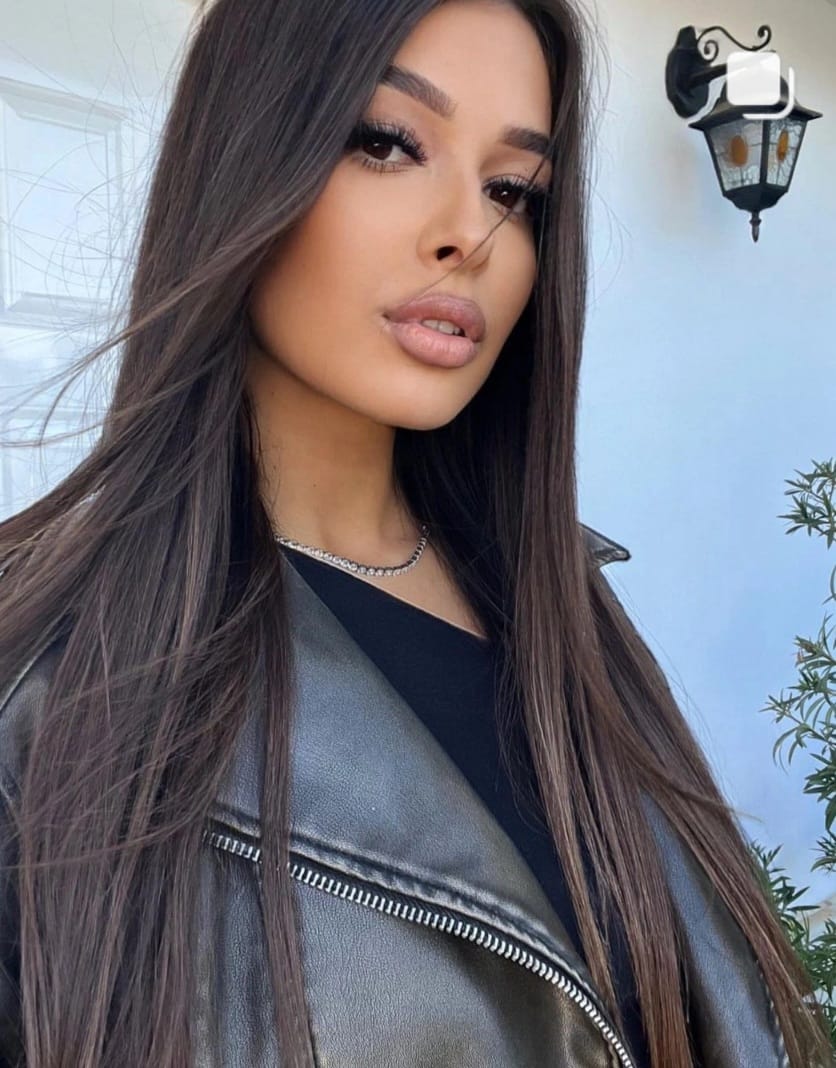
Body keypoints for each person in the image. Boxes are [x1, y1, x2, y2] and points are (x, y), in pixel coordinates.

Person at [0, 0, 830, 1065]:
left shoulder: (562, 601)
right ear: (244, 159)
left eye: (512, 190)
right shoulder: (43, 684)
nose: (467, 234)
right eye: (387, 142)